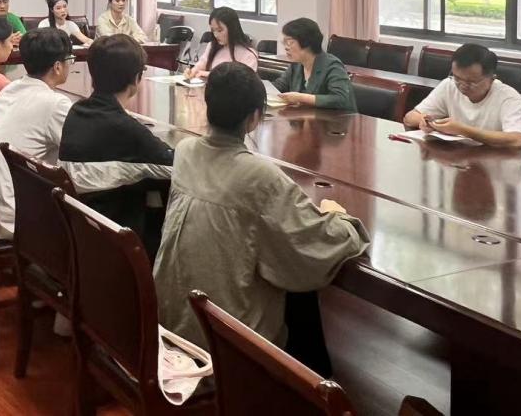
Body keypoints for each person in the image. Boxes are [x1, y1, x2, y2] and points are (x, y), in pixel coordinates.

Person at [154, 63, 369, 369]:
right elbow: (315, 242)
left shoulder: (186, 151)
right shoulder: (260, 175)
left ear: (207, 105)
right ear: (255, 118)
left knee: (280, 258)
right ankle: (310, 384)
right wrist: (342, 221)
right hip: (227, 343)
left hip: (173, 322)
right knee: (297, 273)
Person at [59, 34, 174, 253]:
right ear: (136, 79)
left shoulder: (77, 111)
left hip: (82, 232)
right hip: (114, 243)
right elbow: (175, 165)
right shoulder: (124, 128)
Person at [0, 28, 76, 239]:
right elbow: (81, 153)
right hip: (19, 216)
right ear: (57, 66)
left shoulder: (10, 89)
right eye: (70, 60)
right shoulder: (54, 103)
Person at [402, 44, 521, 148]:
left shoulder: (508, 96)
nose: (462, 86)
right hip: (468, 157)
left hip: (510, 162)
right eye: (457, 78)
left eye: (471, 82)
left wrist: (462, 130)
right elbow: (410, 118)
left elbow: (516, 140)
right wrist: (429, 122)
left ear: (492, 78)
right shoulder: (449, 85)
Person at [272, 18, 356, 111]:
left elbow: (340, 99)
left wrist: (301, 98)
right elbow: (278, 86)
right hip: (306, 117)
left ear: (306, 42)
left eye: (289, 42)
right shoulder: (296, 65)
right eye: (284, 42)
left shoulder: (332, 65)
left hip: (337, 118)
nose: (286, 47)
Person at [189, 6, 258, 79]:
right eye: (213, 30)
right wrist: (193, 71)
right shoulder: (212, 46)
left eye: (219, 30)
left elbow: (242, 81)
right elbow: (202, 63)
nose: (215, 35)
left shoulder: (248, 54)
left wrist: (209, 74)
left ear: (232, 29)